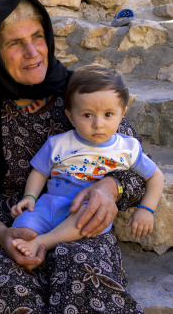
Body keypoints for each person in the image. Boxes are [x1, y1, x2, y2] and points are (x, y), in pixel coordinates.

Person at [0, 0, 162, 314]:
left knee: (85, 280)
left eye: (37, 37)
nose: (32, 52)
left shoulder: (81, 92)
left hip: (84, 225)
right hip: (20, 226)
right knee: (8, 289)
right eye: (15, 43)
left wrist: (109, 186)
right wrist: (3, 236)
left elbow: (139, 167)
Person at [11, 64, 164, 257]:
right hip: (49, 206)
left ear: (122, 113)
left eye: (108, 114)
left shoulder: (127, 148)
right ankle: (38, 245)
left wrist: (146, 209)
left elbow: (156, 177)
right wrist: (29, 197)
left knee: (88, 214)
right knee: (22, 226)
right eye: (87, 115)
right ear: (71, 116)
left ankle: (43, 242)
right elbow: (40, 171)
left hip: (88, 212)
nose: (98, 124)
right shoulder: (58, 143)